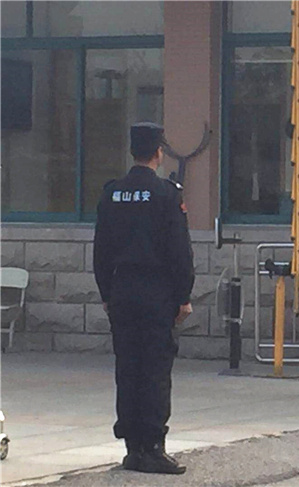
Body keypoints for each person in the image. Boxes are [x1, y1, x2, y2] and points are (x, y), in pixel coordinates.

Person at [93, 122, 195, 474]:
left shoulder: (112, 194)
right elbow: (179, 250)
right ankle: (153, 446)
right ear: (158, 153)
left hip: (122, 291)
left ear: (132, 151)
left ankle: (132, 447)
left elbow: (101, 249)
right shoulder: (167, 194)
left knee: (127, 369)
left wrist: (106, 292)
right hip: (156, 293)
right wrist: (183, 295)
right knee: (154, 370)